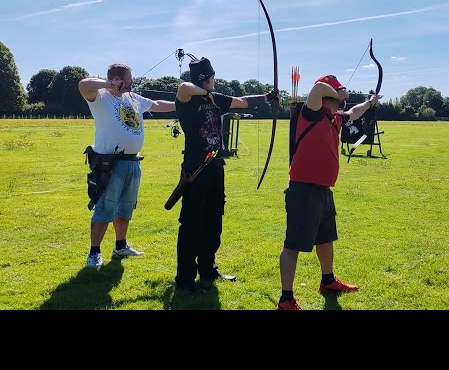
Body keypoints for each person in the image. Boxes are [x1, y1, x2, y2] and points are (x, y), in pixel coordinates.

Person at [172, 55, 278, 293]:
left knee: (213, 220)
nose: (214, 82)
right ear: (206, 79)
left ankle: (208, 268)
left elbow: (241, 101)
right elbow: (183, 87)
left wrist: (267, 97)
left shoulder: (217, 98)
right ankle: (185, 279)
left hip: (216, 168)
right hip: (195, 170)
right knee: (191, 224)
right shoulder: (187, 99)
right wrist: (205, 93)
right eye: (212, 78)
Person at [276, 74, 382, 310]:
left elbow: (354, 112)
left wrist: (370, 102)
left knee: (325, 238)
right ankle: (285, 300)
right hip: (303, 189)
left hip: (323, 191)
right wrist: (338, 92)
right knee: (293, 244)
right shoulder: (310, 111)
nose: (341, 100)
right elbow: (318, 88)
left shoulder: (334, 118)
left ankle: (328, 281)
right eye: (336, 95)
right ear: (328, 97)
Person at [78, 63, 176, 268]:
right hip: (110, 163)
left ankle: (120, 245)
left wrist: (182, 103)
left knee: (125, 207)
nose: (132, 81)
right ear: (117, 78)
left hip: (132, 161)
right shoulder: (101, 96)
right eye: (129, 78)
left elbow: (157, 104)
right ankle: (94, 253)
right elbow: (83, 84)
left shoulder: (133, 98)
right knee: (105, 207)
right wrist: (109, 84)